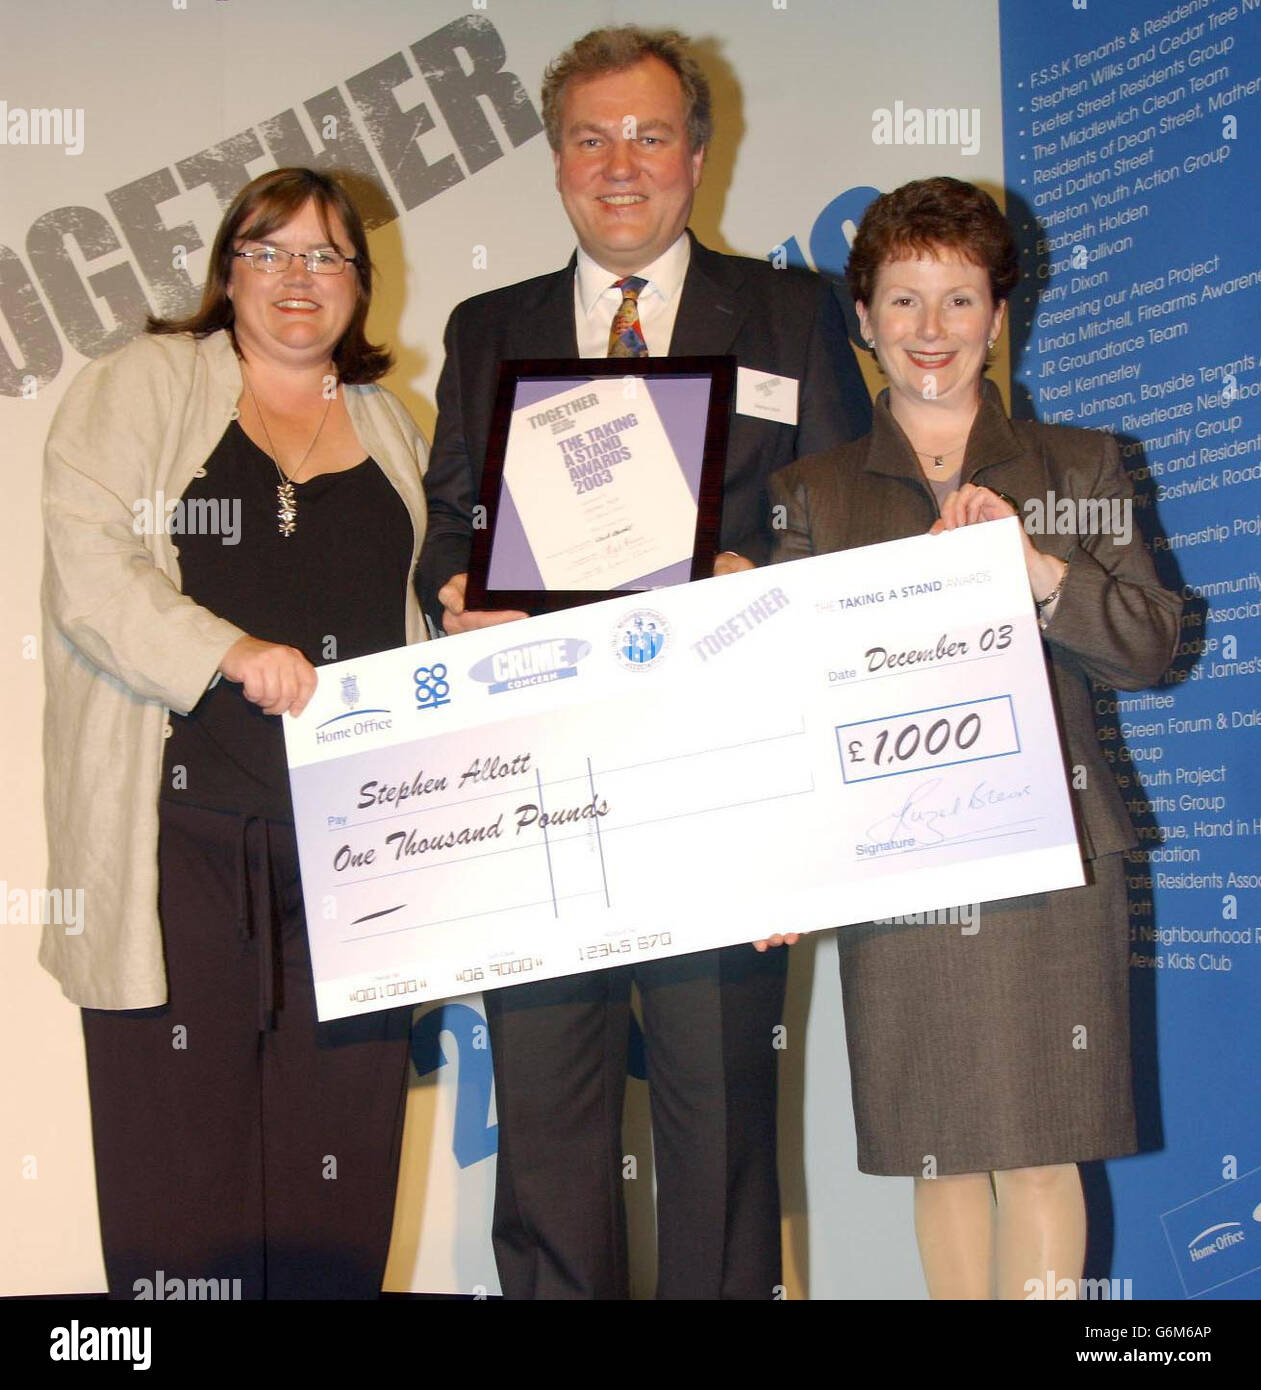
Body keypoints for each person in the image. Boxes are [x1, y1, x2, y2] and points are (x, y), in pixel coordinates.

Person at [418, 25, 871, 1299]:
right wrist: (451, 591)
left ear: (698, 155)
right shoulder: (482, 326)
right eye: (591, 138)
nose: (622, 165)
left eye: (650, 135)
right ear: (558, 160)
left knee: (718, 1117)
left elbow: (840, 514)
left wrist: (765, 578)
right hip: (537, 779)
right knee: (551, 1131)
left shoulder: (790, 312)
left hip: (720, 778)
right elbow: (450, 524)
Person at [766, 177, 1181, 1299]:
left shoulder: (1081, 466)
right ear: (862, 320)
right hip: (898, 860)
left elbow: (1151, 649)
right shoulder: (812, 495)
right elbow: (791, 704)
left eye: (958, 300)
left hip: (1056, 852)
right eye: (903, 302)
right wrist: (779, 871)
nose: (931, 332)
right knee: (935, 1150)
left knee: (1045, 1145)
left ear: (1000, 314)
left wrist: (1040, 572)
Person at [39, 167, 429, 1299]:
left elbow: (421, 609)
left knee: (340, 1178)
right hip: (184, 845)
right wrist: (223, 648)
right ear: (226, 270)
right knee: (179, 1179)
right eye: (269, 251)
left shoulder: (392, 424)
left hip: (356, 861)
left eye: (325, 256)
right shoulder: (151, 382)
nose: (297, 279)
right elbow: (86, 561)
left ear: (362, 284)